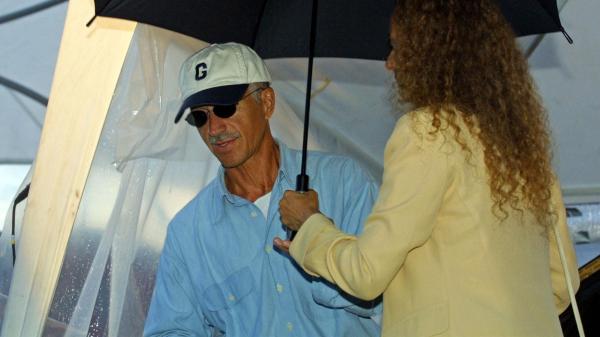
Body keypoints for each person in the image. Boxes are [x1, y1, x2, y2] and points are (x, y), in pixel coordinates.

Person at [275, 1, 580, 337]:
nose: (390, 63)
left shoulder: (427, 132)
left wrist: (309, 225)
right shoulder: (521, 147)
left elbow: (367, 273)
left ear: (432, 54)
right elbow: (562, 284)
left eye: (396, 47)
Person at [143, 42, 381, 337]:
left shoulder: (344, 183)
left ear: (266, 103)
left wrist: (317, 233)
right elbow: (170, 331)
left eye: (225, 107)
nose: (214, 129)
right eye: (200, 117)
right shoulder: (187, 232)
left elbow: (390, 295)